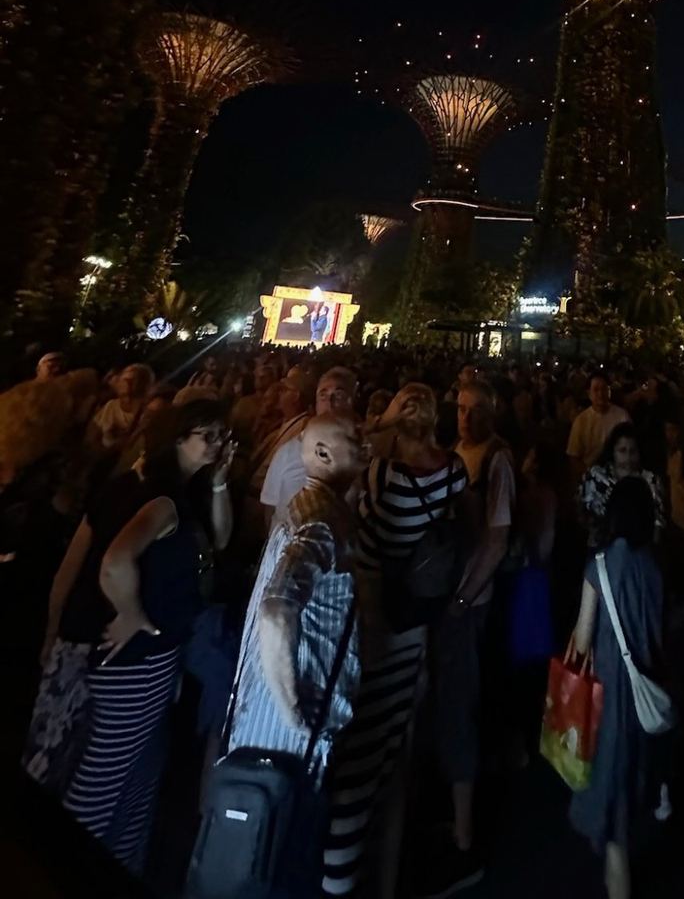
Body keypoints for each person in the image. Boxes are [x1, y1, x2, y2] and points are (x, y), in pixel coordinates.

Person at [28, 398, 233, 871]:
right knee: (103, 780)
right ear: (177, 438)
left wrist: (54, 630)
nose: (219, 444)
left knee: (139, 773)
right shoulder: (162, 501)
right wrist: (132, 613)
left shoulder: (131, 486)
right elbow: (114, 562)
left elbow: (70, 566)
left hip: (110, 653)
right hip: (136, 661)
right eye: (208, 435)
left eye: (222, 434)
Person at [323, 383, 467, 899]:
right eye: (411, 399)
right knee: (377, 753)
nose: (415, 406)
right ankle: (364, 878)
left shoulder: (415, 471)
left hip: (391, 618)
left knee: (375, 758)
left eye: (420, 400)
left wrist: (384, 418)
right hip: (394, 617)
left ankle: (360, 878)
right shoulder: (413, 469)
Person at [223, 415, 366, 896]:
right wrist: (292, 708)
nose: (366, 444)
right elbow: (278, 610)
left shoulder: (311, 507)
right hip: (284, 740)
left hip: (265, 728)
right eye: (355, 438)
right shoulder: (320, 519)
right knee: (276, 857)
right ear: (323, 455)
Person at [419, 380, 515, 898]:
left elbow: (497, 539)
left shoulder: (496, 460)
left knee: (459, 707)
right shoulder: (457, 454)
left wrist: (462, 599)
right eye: (458, 408)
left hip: (468, 604)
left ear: (493, 415)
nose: (464, 417)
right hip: (449, 600)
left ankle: (463, 840)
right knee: (449, 703)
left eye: (475, 410)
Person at [567, 476, 666, 899]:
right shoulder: (655, 565)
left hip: (610, 697)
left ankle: (616, 874)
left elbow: (583, 639)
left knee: (611, 796)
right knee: (632, 781)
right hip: (648, 693)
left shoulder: (600, 566)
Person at [260, 368, 357, 523]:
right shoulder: (288, 450)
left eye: (338, 395)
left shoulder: (362, 456)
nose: (329, 402)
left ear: (351, 401)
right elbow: (270, 508)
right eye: (323, 395)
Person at [578, 422, 667, 550]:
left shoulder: (650, 480)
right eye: (622, 451)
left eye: (633, 451)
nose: (628, 458)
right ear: (613, 451)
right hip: (600, 549)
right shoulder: (596, 477)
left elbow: (658, 524)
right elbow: (583, 514)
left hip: (639, 552)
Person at [567, 374, 628, 477]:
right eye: (596, 390)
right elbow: (573, 456)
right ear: (589, 393)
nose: (600, 394)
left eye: (604, 389)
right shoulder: (581, 421)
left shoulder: (622, 416)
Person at [90, 363, 153, 453]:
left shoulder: (143, 416)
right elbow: (94, 435)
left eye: (126, 380)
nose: (118, 380)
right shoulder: (112, 406)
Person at [229, 356, 281, 445]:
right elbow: (233, 425)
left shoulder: (278, 404)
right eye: (257, 377)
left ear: (273, 379)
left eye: (264, 377)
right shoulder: (244, 403)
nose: (260, 379)